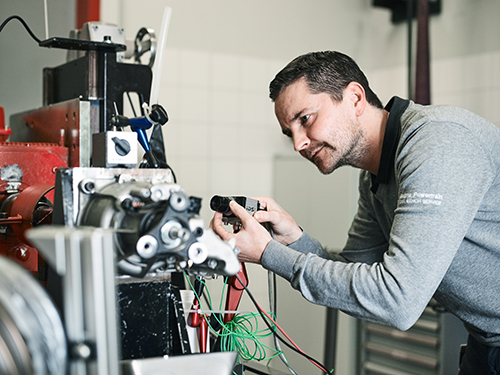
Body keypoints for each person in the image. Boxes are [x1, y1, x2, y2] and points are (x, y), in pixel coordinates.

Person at [210, 51, 500, 374]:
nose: (298, 144)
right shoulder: (373, 176)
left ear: (355, 98)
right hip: (485, 342)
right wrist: (293, 240)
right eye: (289, 132)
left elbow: (397, 300)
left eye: (304, 119)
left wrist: (267, 254)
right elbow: (354, 273)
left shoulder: (435, 144)